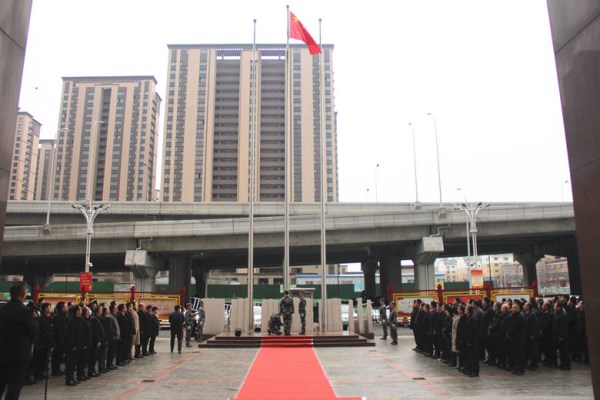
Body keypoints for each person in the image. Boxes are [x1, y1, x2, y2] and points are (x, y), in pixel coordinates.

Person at [0, 281, 38, 399]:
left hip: (3, 352)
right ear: (23, 294)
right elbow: (33, 332)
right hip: (19, 354)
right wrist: (34, 320)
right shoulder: (24, 311)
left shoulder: (3, 309)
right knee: (14, 385)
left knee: (1, 382)